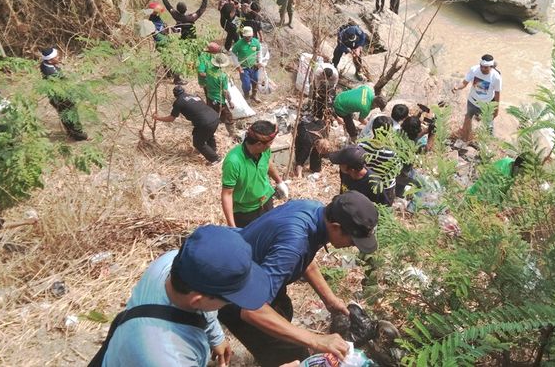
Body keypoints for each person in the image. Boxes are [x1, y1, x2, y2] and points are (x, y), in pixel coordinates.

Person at [218, 191, 380, 367]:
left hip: (258, 274)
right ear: (335, 226)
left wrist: (330, 299)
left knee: (285, 311)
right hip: (233, 294)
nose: (353, 246)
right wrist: (317, 340)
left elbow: (306, 262)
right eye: (353, 241)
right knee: (295, 356)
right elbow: (252, 310)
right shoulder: (294, 242)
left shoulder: (316, 211)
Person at [99, 225, 272, 367]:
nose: (230, 304)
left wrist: (217, 338)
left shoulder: (173, 261)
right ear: (197, 300)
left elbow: (207, 309)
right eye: (229, 299)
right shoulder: (166, 357)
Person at [221, 120, 288, 227]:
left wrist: (279, 181)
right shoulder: (233, 161)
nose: (271, 146)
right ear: (259, 144)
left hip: (266, 201)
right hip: (245, 211)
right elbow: (227, 194)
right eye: (270, 143)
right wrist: (231, 226)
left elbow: (267, 163)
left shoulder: (264, 151)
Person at [153, 86, 221, 165]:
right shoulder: (194, 96)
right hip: (215, 117)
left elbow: (171, 118)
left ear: (175, 95)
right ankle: (212, 150)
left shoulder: (178, 102)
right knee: (207, 134)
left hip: (205, 122)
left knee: (198, 143)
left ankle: (215, 159)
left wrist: (157, 118)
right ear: (184, 91)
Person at [39, 47, 89, 141]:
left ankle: (71, 133)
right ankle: (79, 135)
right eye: (56, 57)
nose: (59, 57)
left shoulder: (45, 64)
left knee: (64, 115)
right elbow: (61, 86)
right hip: (61, 97)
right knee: (70, 114)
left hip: (56, 96)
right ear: (50, 61)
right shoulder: (51, 73)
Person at [451, 54, 502, 142]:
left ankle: (488, 142)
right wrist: (457, 87)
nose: (482, 69)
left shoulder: (496, 77)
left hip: (486, 104)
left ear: (491, 67)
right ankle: (465, 136)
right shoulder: (474, 70)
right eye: (481, 66)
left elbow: (497, 93)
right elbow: (464, 83)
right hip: (472, 101)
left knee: (488, 125)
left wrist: (496, 110)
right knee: (468, 118)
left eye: (486, 68)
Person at [329, 146, 394, 206]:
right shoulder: (345, 173)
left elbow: (384, 207)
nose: (339, 166)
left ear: (352, 170)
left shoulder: (373, 184)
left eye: (340, 164)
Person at [358, 116, 399, 195]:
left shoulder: (361, 146)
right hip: (384, 188)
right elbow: (395, 172)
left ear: (373, 128)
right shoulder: (392, 153)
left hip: (366, 184)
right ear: (390, 131)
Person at [204, 53, 237, 139]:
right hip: (219, 99)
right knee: (228, 117)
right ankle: (232, 134)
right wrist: (230, 102)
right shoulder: (223, 76)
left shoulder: (208, 70)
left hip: (210, 97)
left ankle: (210, 133)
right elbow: (225, 91)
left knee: (212, 115)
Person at [231, 26, 263, 102]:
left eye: (250, 36)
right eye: (246, 36)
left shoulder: (256, 42)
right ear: (243, 35)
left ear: (252, 35)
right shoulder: (239, 43)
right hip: (244, 68)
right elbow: (233, 54)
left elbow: (259, 52)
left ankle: (254, 95)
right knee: (246, 84)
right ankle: (247, 97)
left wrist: (260, 62)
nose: (248, 38)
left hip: (254, 66)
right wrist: (238, 66)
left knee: (255, 81)